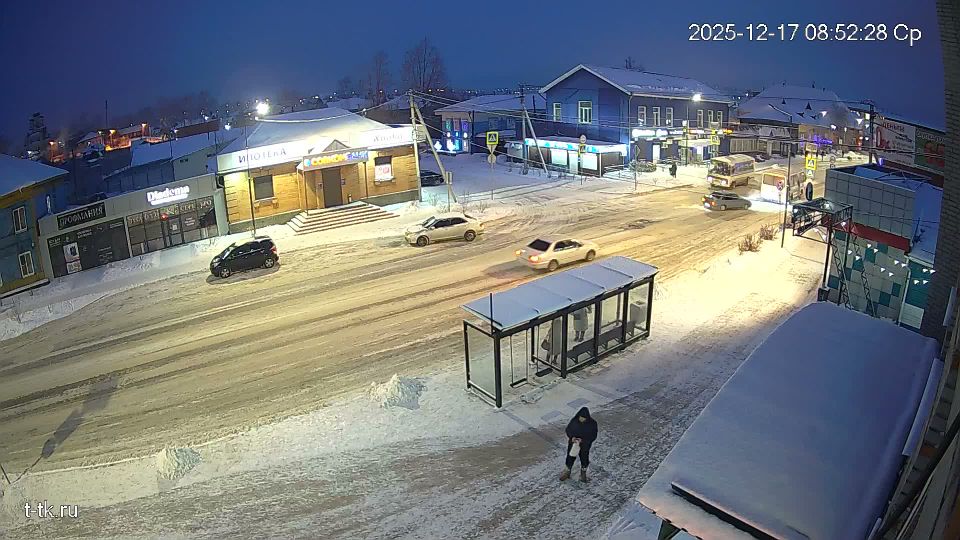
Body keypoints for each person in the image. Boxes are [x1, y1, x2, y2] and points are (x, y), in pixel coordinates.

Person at [560, 407, 598, 482]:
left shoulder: (592, 424)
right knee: (570, 458)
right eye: (581, 417)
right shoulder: (574, 421)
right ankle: (567, 472)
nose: (582, 419)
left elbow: (593, 436)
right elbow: (568, 430)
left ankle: (583, 474)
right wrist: (572, 437)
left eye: (583, 418)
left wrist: (583, 441)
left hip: (584, 446)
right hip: (573, 444)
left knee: (584, 459)